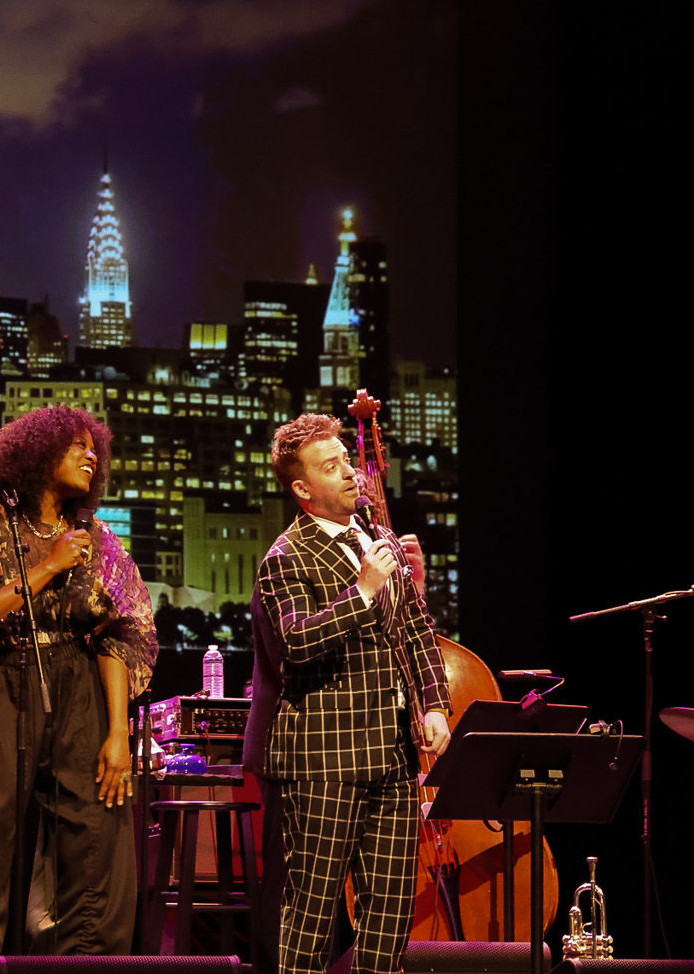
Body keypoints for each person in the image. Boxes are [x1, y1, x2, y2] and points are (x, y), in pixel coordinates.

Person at [0, 406, 157, 974]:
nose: (91, 456)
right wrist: (46, 567)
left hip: (81, 686)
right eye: (77, 447)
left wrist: (118, 734)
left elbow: (123, 632)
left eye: (96, 448)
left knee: (96, 849)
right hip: (3, 678)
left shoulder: (94, 536)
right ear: (38, 453)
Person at [255, 413, 450, 974]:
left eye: (346, 460)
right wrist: (362, 590)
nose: (349, 473)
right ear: (301, 488)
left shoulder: (379, 539)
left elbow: (414, 628)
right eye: (330, 466)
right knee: (311, 922)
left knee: (388, 921)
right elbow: (295, 642)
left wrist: (434, 704)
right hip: (325, 761)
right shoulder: (285, 558)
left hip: (392, 759)